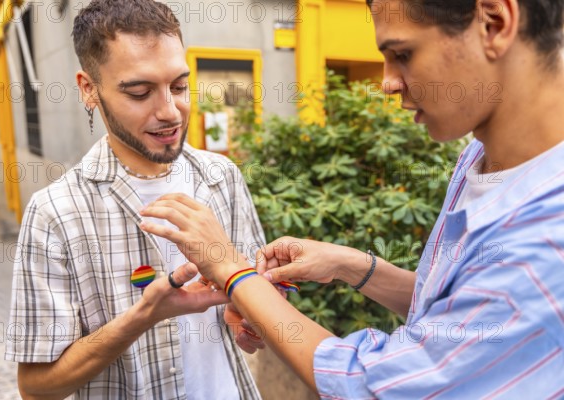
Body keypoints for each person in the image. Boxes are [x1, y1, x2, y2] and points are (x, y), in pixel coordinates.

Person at [140, 0, 564, 398]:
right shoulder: (481, 157)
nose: (387, 82)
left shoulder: (544, 244)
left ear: (494, 22)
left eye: (403, 54)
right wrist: (349, 264)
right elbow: (453, 311)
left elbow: (371, 384)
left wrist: (232, 270)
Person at [5, 0, 266, 398]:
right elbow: (37, 387)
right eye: (140, 92)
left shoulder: (221, 177)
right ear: (88, 89)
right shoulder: (55, 214)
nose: (171, 112)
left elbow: (257, 297)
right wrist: (144, 316)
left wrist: (246, 315)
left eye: (180, 86)